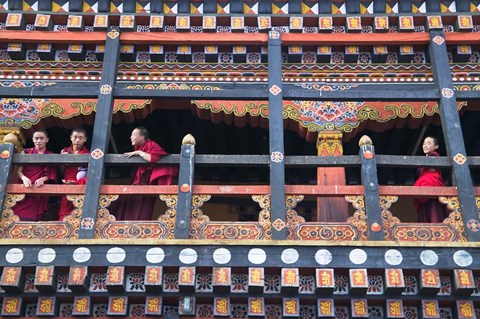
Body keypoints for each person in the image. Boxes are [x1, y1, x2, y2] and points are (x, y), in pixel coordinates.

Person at [111, 127, 177, 220]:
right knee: (121, 203)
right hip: (136, 186)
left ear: (142, 137)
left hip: (146, 188)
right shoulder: (141, 147)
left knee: (142, 214)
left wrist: (139, 152)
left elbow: (152, 158)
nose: (131, 137)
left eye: (133, 135)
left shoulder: (151, 145)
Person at [13, 129, 57, 221]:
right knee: (18, 211)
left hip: (39, 187)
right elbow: (19, 171)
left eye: (41, 138)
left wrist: (43, 179)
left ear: (47, 140)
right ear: (33, 139)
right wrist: (24, 178)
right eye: (36, 138)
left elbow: (52, 174)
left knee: (34, 214)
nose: (39, 141)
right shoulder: (25, 152)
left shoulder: (51, 155)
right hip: (25, 185)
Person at [413, 136, 447, 223]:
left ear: (436, 147)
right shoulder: (425, 158)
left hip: (431, 182)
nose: (425, 146)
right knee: (426, 208)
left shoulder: (434, 156)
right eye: (424, 143)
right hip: (424, 184)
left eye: (428, 143)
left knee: (433, 208)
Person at [58, 128, 89, 221]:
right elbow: (60, 172)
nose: (77, 140)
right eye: (75, 137)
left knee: (79, 209)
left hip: (81, 185)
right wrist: (62, 161)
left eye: (80, 138)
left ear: (85, 139)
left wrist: (76, 183)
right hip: (66, 184)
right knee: (65, 209)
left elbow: (91, 175)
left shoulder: (88, 154)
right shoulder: (64, 151)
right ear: (71, 138)